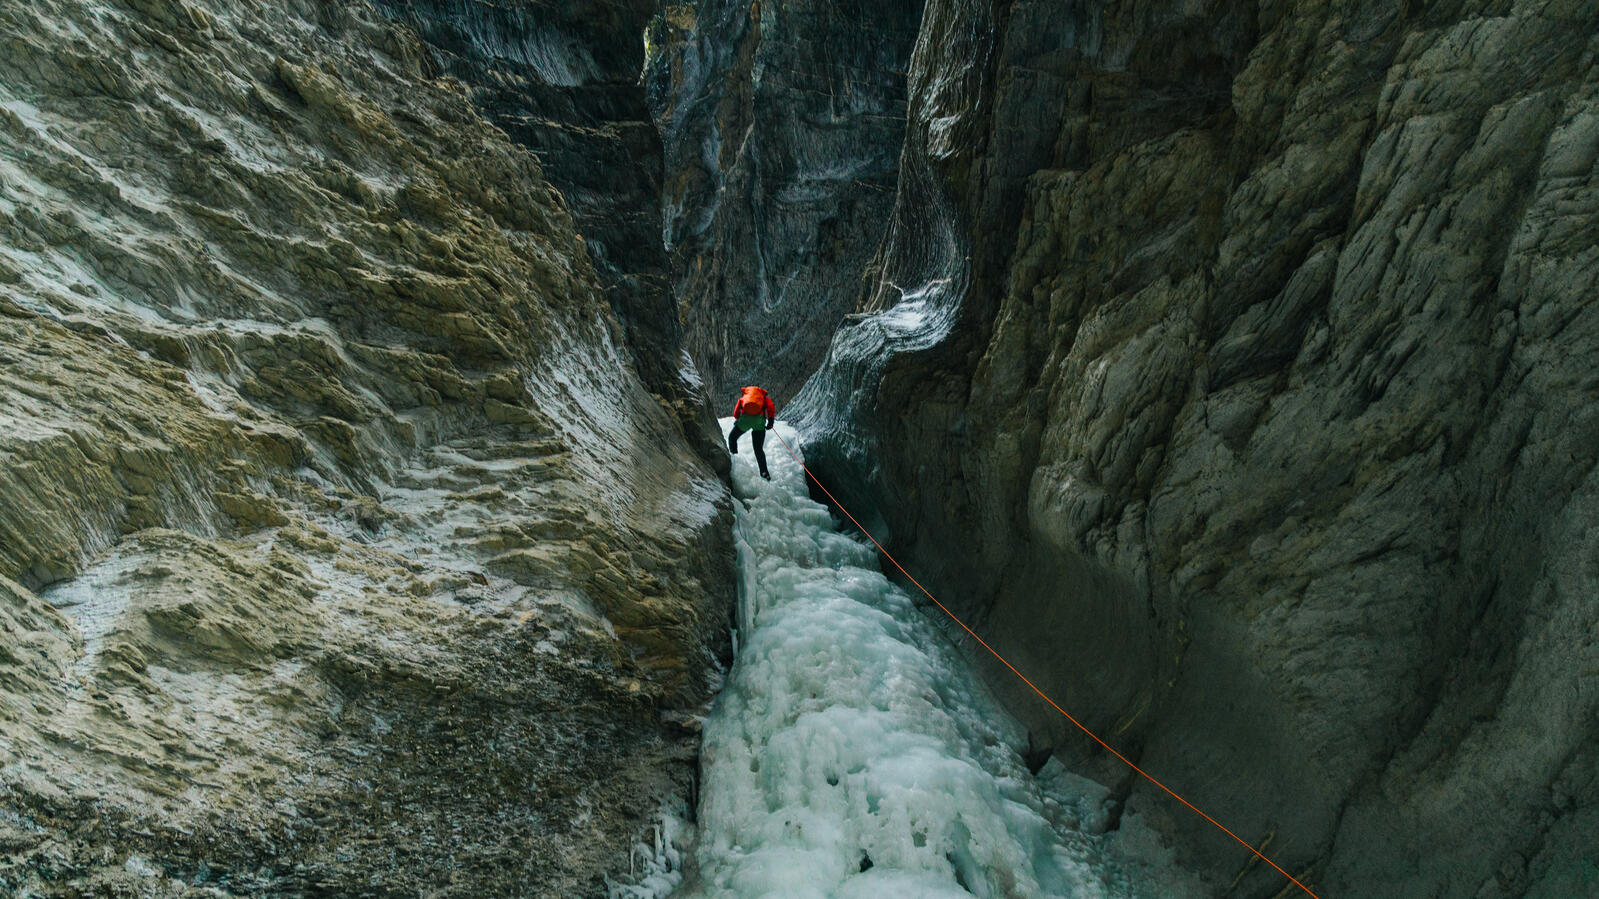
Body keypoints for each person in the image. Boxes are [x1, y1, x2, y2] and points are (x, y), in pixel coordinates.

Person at [728, 385, 776, 480]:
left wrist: (739, 420)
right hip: (759, 421)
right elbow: (771, 407)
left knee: (732, 438)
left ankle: (735, 461)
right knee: (758, 449)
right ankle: (764, 472)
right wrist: (770, 421)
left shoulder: (744, 398)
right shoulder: (763, 398)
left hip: (745, 420)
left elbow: (735, 413)